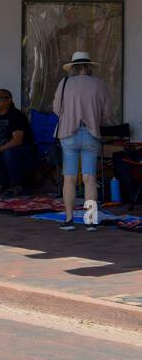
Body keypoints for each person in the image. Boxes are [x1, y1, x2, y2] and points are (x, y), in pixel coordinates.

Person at [51, 51, 113, 232]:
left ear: (73, 67)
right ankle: (91, 220)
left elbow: (56, 109)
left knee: (69, 179)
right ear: (89, 67)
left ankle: (69, 220)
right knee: (90, 178)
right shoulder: (100, 84)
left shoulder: (64, 84)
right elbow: (107, 113)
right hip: (91, 133)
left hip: (68, 133)